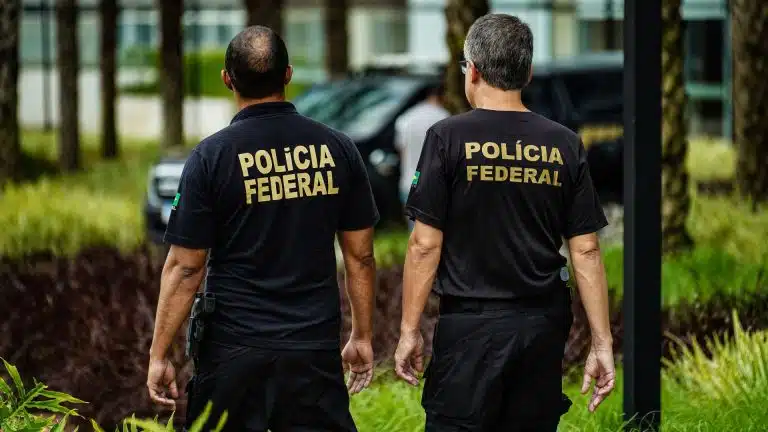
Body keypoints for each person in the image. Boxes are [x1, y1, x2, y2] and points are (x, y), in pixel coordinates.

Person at [146, 26, 380, 432]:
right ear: (288, 75)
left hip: (234, 351)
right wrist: (362, 335)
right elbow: (360, 256)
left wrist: (159, 354)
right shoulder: (338, 149)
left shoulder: (210, 157)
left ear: (227, 79)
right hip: (312, 350)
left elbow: (185, 267)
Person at [393, 14, 615, 432]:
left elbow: (424, 244)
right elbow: (585, 249)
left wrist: (409, 331)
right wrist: (601, 341)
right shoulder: (564, 143)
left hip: (469, 329)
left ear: (472, 70)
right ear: (526, 72)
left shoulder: (447, 138)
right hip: (540, 327)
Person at [394, 81, 450, 229]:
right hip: (436, 186)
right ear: (441, 96)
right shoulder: (445, 118)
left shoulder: (406, 118)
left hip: (409, 182)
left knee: (414, 235)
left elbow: (402, 152)